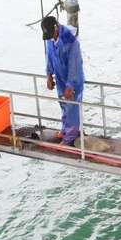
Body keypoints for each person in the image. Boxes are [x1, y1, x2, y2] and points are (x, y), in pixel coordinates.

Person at [42, 14, 85, 145]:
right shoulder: (50, 39)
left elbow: (74, 64)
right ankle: (66, 129)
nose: (50, 38)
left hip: (72, 80)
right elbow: (49, 55)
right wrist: (49, 75)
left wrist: (70, 85)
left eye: (51, 34)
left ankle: (70, 137)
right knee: (63, 105)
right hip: (60, 77)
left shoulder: (70, 41)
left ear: (56, 27)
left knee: (72, 107)